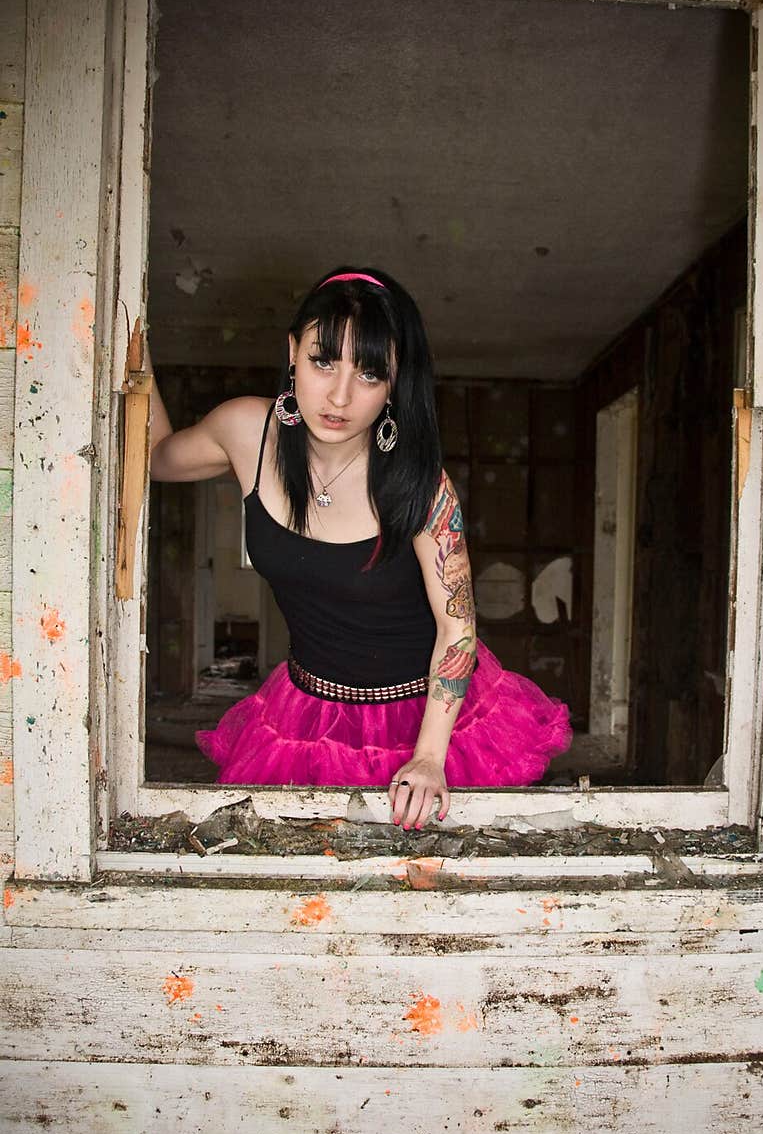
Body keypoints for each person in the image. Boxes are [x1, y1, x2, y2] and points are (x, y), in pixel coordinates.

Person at [149, 266, 572, 828]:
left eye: (370, 373)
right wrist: (134, 340)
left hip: (427, 717)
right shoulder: (245, 431)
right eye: (324, 360)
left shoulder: (421, 486)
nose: (340, 396)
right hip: (307, 711)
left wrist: (428, 757)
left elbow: (458, 628)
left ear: (394, 383)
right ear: (293, 351)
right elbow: (153, 458)